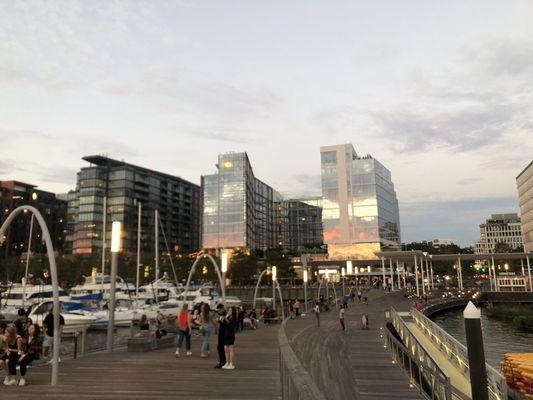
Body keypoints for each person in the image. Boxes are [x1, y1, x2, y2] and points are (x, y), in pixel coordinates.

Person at [214, 303, 227, 368]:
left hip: (224, 333)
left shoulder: (225, 314)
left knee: (220, 347)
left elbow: (225, 323)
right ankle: (222, 361)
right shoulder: (221, 314)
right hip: (221, 332)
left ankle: (223, 361)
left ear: (222, 308)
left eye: (219, 310)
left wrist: (219, 321)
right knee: (220, 347)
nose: (218, 311)